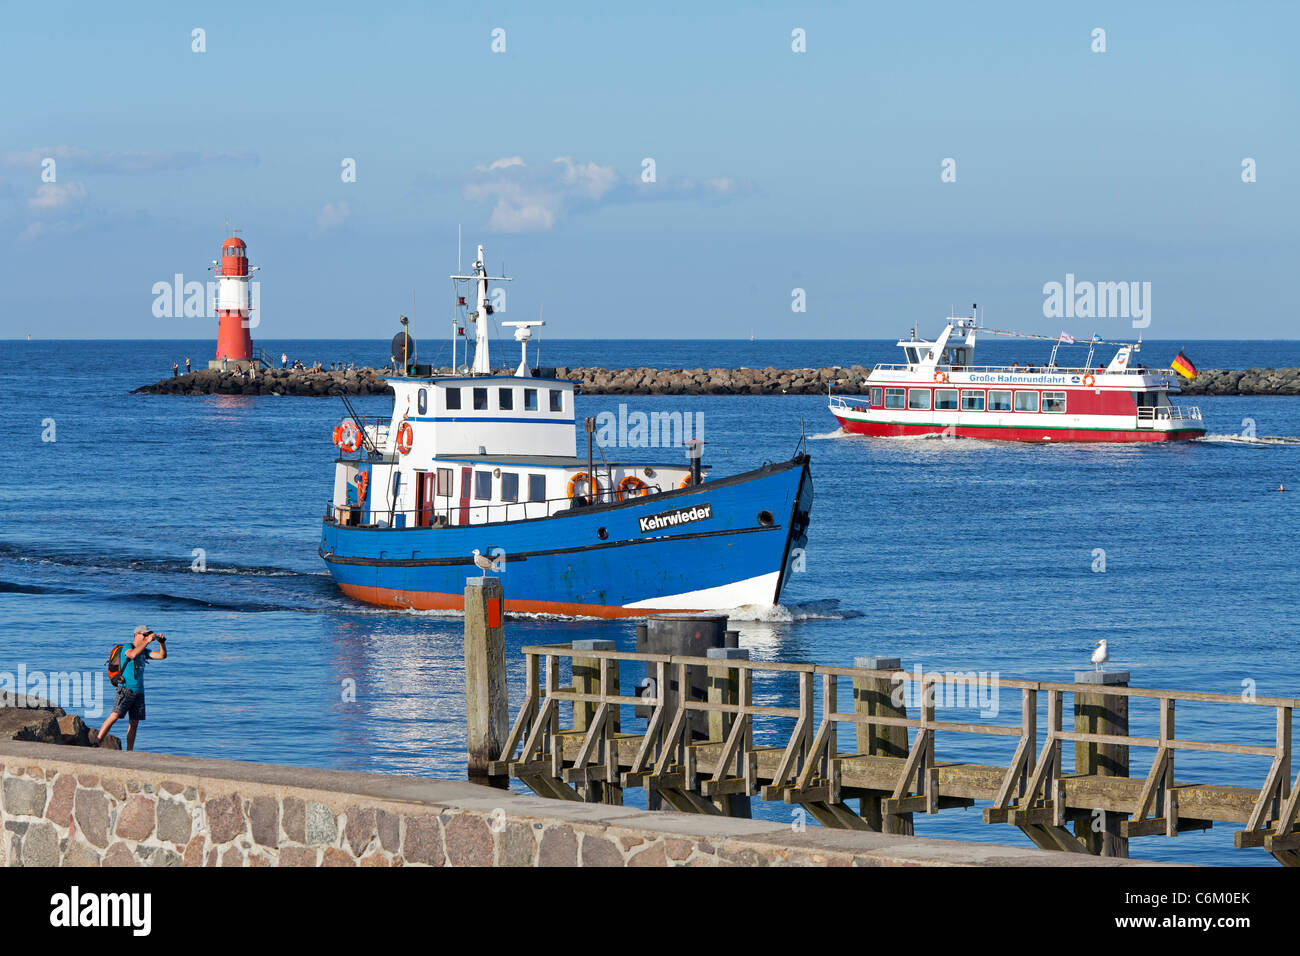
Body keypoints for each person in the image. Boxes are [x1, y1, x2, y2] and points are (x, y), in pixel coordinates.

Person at [93, 625, 168, 751]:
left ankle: (129, 750)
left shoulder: (144, 652)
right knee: (115, 715)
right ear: (136, 635)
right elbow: (132, 655)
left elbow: (162, 656)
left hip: (139, 692)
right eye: (144, 635)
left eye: (147, 635)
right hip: (125, 688)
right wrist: (147, 642)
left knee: (134, 723)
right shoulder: (128, 647)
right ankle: (97, 742)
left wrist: (162, 643)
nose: (146, 637)